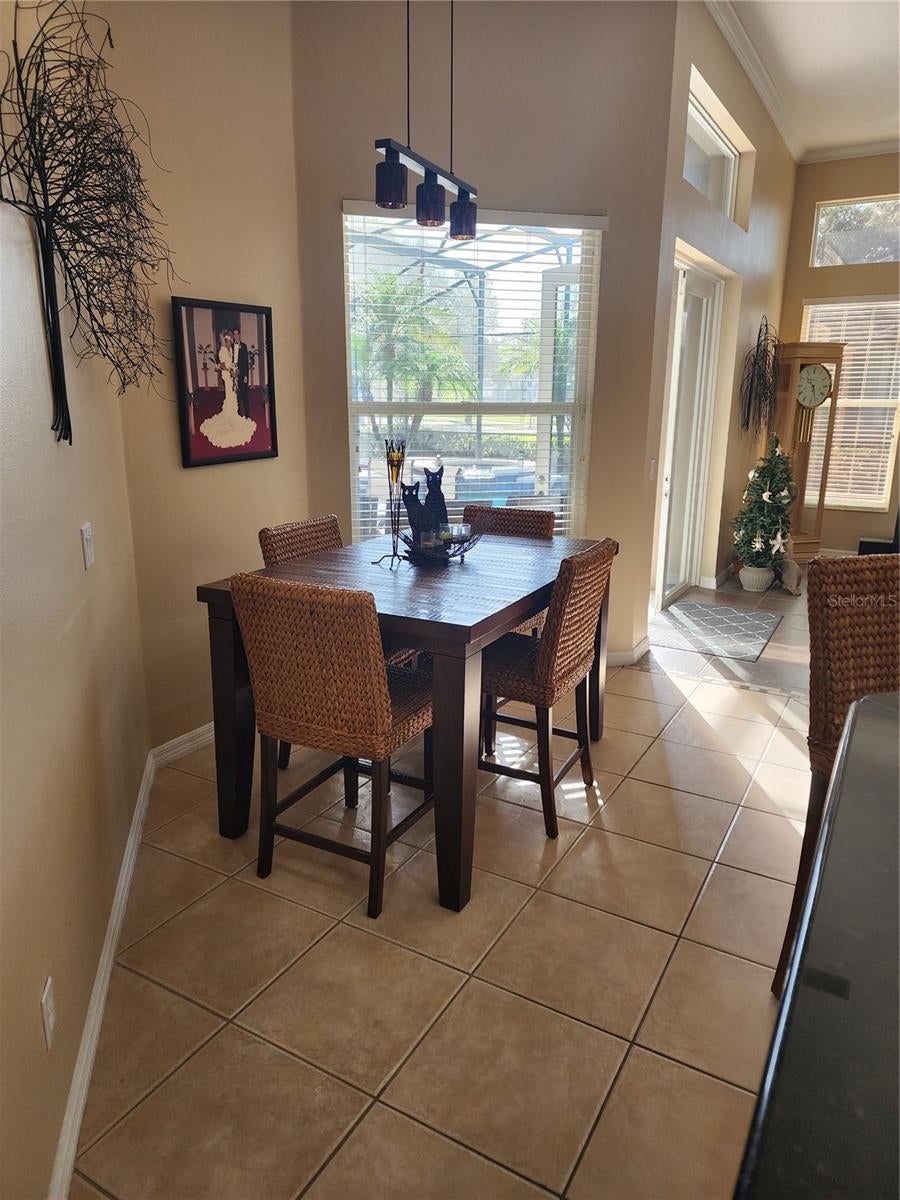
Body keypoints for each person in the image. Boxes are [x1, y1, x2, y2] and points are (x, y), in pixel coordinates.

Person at [199, 330, 256, 449]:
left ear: (238, 336)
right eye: (227, 341)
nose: (229, 342)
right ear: (224, 341)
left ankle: (245, 414)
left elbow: (243, 362)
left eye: (230, 340)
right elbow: (221, 365)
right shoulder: (223, 351)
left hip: (237, 376)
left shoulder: (238, 347)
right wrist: (230, 371)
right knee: (232, 395)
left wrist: (243, 375)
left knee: (239, 395)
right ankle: (235, 414)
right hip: (228, 376)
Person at [232, 326, 251, 418]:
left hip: (242, 374)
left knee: (244, 395)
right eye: (234, 334)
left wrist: (246, 376)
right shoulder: (230, 346)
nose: (236, 336)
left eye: (237, 334)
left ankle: (247, 414)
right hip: (234, 375)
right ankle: (238, 414)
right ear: (233, 336)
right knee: (236, 396)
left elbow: (246, 362)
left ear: (239, 335)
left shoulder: (244, 346)